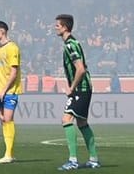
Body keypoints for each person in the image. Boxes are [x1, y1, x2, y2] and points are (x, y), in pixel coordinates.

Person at [54, 15, 99, 170]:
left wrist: (71, 88)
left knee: (66, 120)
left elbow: (80, 69)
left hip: (81, 88)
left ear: (65, 27)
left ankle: (73, 161)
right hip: (84, 87)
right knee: (82, 123)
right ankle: (93, 159)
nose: (55, 28)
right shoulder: (71, 43)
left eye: (57, 26)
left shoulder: (70, 45)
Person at [0, 21, 22, 164]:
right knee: (3, 120)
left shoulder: (12, 48)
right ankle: (10, 153)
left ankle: (8, 154)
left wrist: (4, 89)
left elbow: (14, 72)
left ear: (2, 31)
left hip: (9, 92)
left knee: (8, 119)